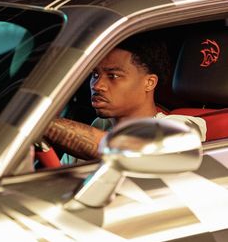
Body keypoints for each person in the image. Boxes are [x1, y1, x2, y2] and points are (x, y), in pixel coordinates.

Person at [43, 33, 206, 162]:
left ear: (149, 82)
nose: (97, 85)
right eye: (95, 74)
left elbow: (124, 149)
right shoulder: (99, 126)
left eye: (113, 76)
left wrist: (40, 124)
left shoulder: (183, 127)